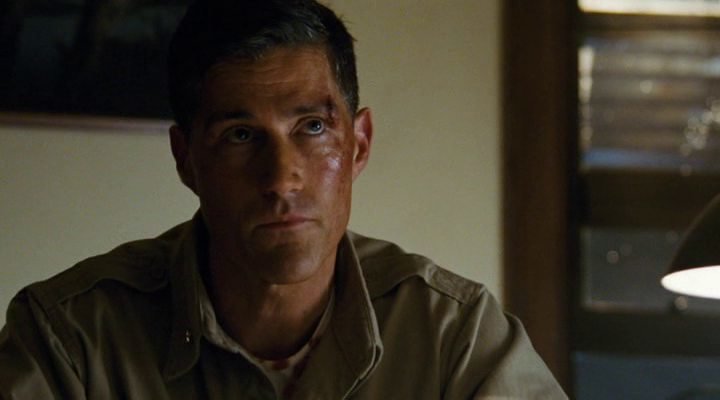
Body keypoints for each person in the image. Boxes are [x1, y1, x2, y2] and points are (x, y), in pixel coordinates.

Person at [0, 0, 567, 398]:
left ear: (359, 144)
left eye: (313, 128)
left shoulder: (452, 338)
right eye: (240, 135)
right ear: (186, 159)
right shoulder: (70, 340)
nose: (281, 178)